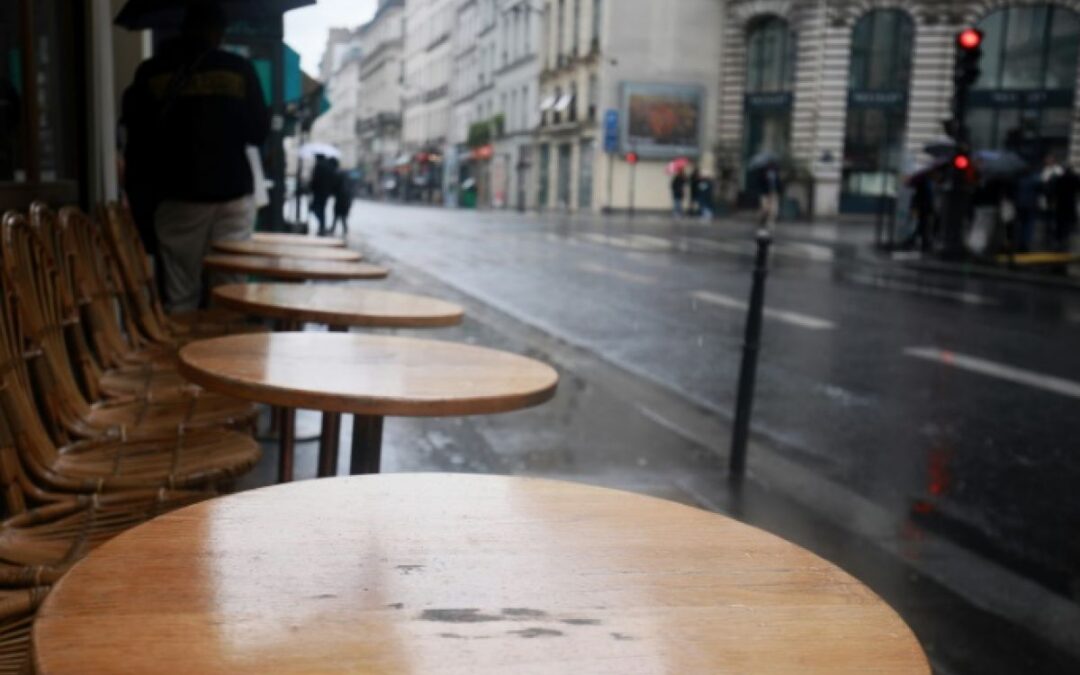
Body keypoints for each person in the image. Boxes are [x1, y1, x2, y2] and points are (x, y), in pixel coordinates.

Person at [122, 1, 269, 314]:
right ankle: (227, 355)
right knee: (230, 290)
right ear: (218, 31)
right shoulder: (238, 69)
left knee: (180, 290)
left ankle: (182, 352)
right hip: (231, 191)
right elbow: (259, 131)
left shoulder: (152, 72)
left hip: (178, 194)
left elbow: (138, 137)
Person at [309, 155, 336, 235]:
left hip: (318, 192)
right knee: (321, 209)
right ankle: (322, 226)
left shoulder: (319, 166)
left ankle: (322, 225)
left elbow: (315, 179)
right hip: (325, 193)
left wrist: (311, 187)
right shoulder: (329, 167)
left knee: (315, 208)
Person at [757, 161, 783, 229]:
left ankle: (770, 222)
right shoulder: (763, 175)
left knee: (773, 209)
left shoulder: (776, 175)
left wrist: (779, 192)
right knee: (765, 208)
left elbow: (779, 184)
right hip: (765, 194)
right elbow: (761, 184)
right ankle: (762, 219)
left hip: (774, 193)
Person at [329, 168, 355, 236]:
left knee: (338, 217)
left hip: (341, 203)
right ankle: (343, 230)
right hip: (344, 203)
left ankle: (337, 229)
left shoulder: (342, 184)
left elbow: (336, 192)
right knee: (341, 217)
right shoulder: (349, 183)